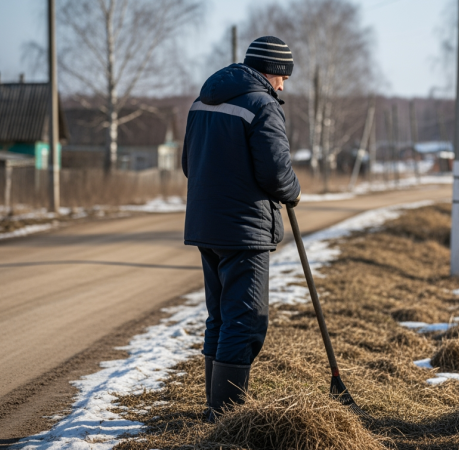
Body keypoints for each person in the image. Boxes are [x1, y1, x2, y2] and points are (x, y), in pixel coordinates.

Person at [182, 36, 301, 421]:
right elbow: (276, 172)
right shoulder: (262, 105)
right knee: (246, 320)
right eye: (282, 77)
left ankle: (214, 409)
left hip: (205, 225)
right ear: (271, 71)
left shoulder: (202, 101)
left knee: (220, 316)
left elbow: (188, 164)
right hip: (244, 229)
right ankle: (227, 417)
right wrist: (294, 191)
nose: (282, 86)